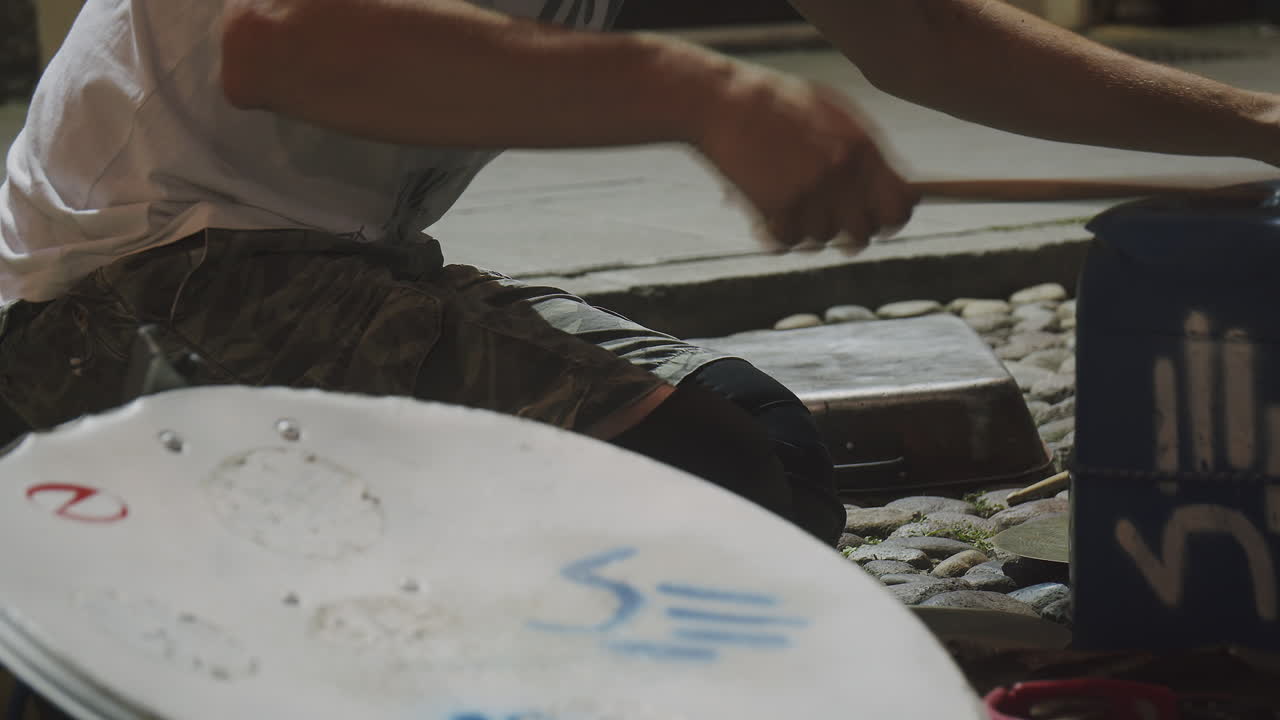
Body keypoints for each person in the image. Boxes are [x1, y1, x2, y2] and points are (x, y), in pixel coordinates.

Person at [0, 0, 1277, 546]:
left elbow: (927, 34)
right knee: (699, 483)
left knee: (760, 450)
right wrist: (694, 90)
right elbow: (290, 43)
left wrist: (1253, 125)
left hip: (340, 266)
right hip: (128, 296)